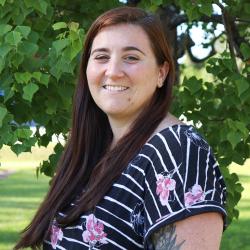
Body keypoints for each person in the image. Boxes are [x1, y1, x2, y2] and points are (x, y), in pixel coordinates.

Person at [15, 6, 227, 250]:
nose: (113, 71)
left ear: (162, 72)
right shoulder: (93, 149)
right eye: (102, 57)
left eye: (131, 57)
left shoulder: (179, 151)